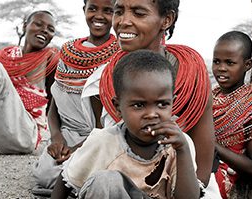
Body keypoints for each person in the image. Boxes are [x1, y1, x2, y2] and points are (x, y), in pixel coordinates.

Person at [81, 0, 220, 197]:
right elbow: (100, 151)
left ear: (167, 20)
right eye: (119, 11)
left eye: (138, 13)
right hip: (119, 186)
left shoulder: (193, 74)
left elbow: (202, 173)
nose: (123, 21)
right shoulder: (102, 80)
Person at [51, 49, 205, 199]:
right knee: (106, 182)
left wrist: (183, 150)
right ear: (118, 107)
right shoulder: (103, 141)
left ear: (173, 103)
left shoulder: (179, 144)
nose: (152, 114)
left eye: (162, 104)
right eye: (139, 105)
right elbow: (67, 178)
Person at [32, 0, 119, 192]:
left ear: (116, 14)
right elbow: (55, 104)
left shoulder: (119, 56)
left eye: (108, 11)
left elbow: (106, 124)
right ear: (84, 10)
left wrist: (77, 149)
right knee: (44, 176)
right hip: (66, 133)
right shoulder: (68, 52)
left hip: (99, 138)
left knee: (86, 177)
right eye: (93, 9)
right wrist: (56, 137)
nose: (99, 16)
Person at [0, 10, 58, 154]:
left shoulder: (50, 60)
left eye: (50, 30)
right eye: (38, 24)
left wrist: (56, 137)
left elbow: (55, 103)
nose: (44, 30)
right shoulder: (5, 56)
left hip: (25, 133)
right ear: (25, 26)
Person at [212, 31, 252, 199]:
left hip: (227, 184)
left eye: (230, 63)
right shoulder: (208, 97)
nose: (221, 68)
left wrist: (213, 146)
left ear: (248, 64)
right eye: (217, 61)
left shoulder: (250, 105)